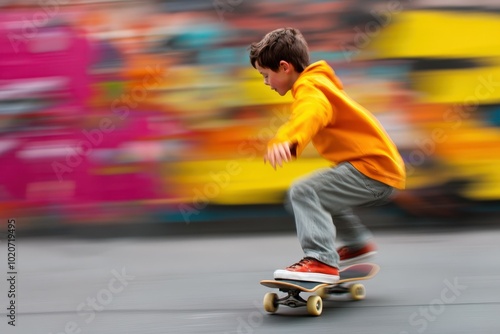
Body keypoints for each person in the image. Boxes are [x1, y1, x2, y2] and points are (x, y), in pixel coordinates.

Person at [249, 28, 406, 284]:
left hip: (372, 170)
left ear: (284, 67)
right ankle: (356, 243)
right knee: (319, 196)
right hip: (379, 169)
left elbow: (310, 114)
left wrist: (287, 140)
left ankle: (320, 260)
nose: (266, 83)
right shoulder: (319, 83)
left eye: (266, 75)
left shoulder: (310, 89)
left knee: (303, 192)